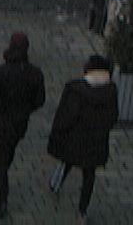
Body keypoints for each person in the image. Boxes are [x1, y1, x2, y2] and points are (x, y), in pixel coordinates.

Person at [0, 31, 48, 218]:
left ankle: (1, 200)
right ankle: (1, 182)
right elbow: (40, 100)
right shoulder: (35, 74)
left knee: (0, 162)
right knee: (7, 155)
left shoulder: (1, 73)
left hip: (0, 123)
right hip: (19, 125)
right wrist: (25, 111)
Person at [45, 55, 117, 222]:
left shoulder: (76, 90)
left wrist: (57, 132)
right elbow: (113, 117)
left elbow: (66, 117)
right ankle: (82, 211)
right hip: (97, 142)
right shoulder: (111, 91)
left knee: (67, 160)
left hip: (75, 138)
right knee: (89, 175)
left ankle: (56, 183)